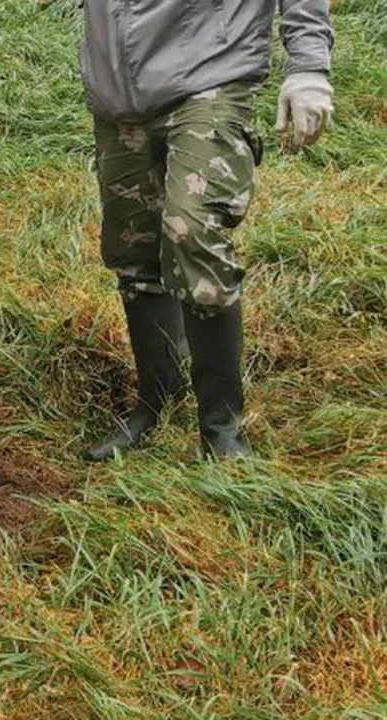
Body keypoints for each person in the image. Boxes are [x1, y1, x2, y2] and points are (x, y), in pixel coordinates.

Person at [78, 0, 334, 460]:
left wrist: (309, 66)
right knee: (134, 249)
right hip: (118, 91)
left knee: (193, 232)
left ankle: (221, 427)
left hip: (209, 75)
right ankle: (155, 404)